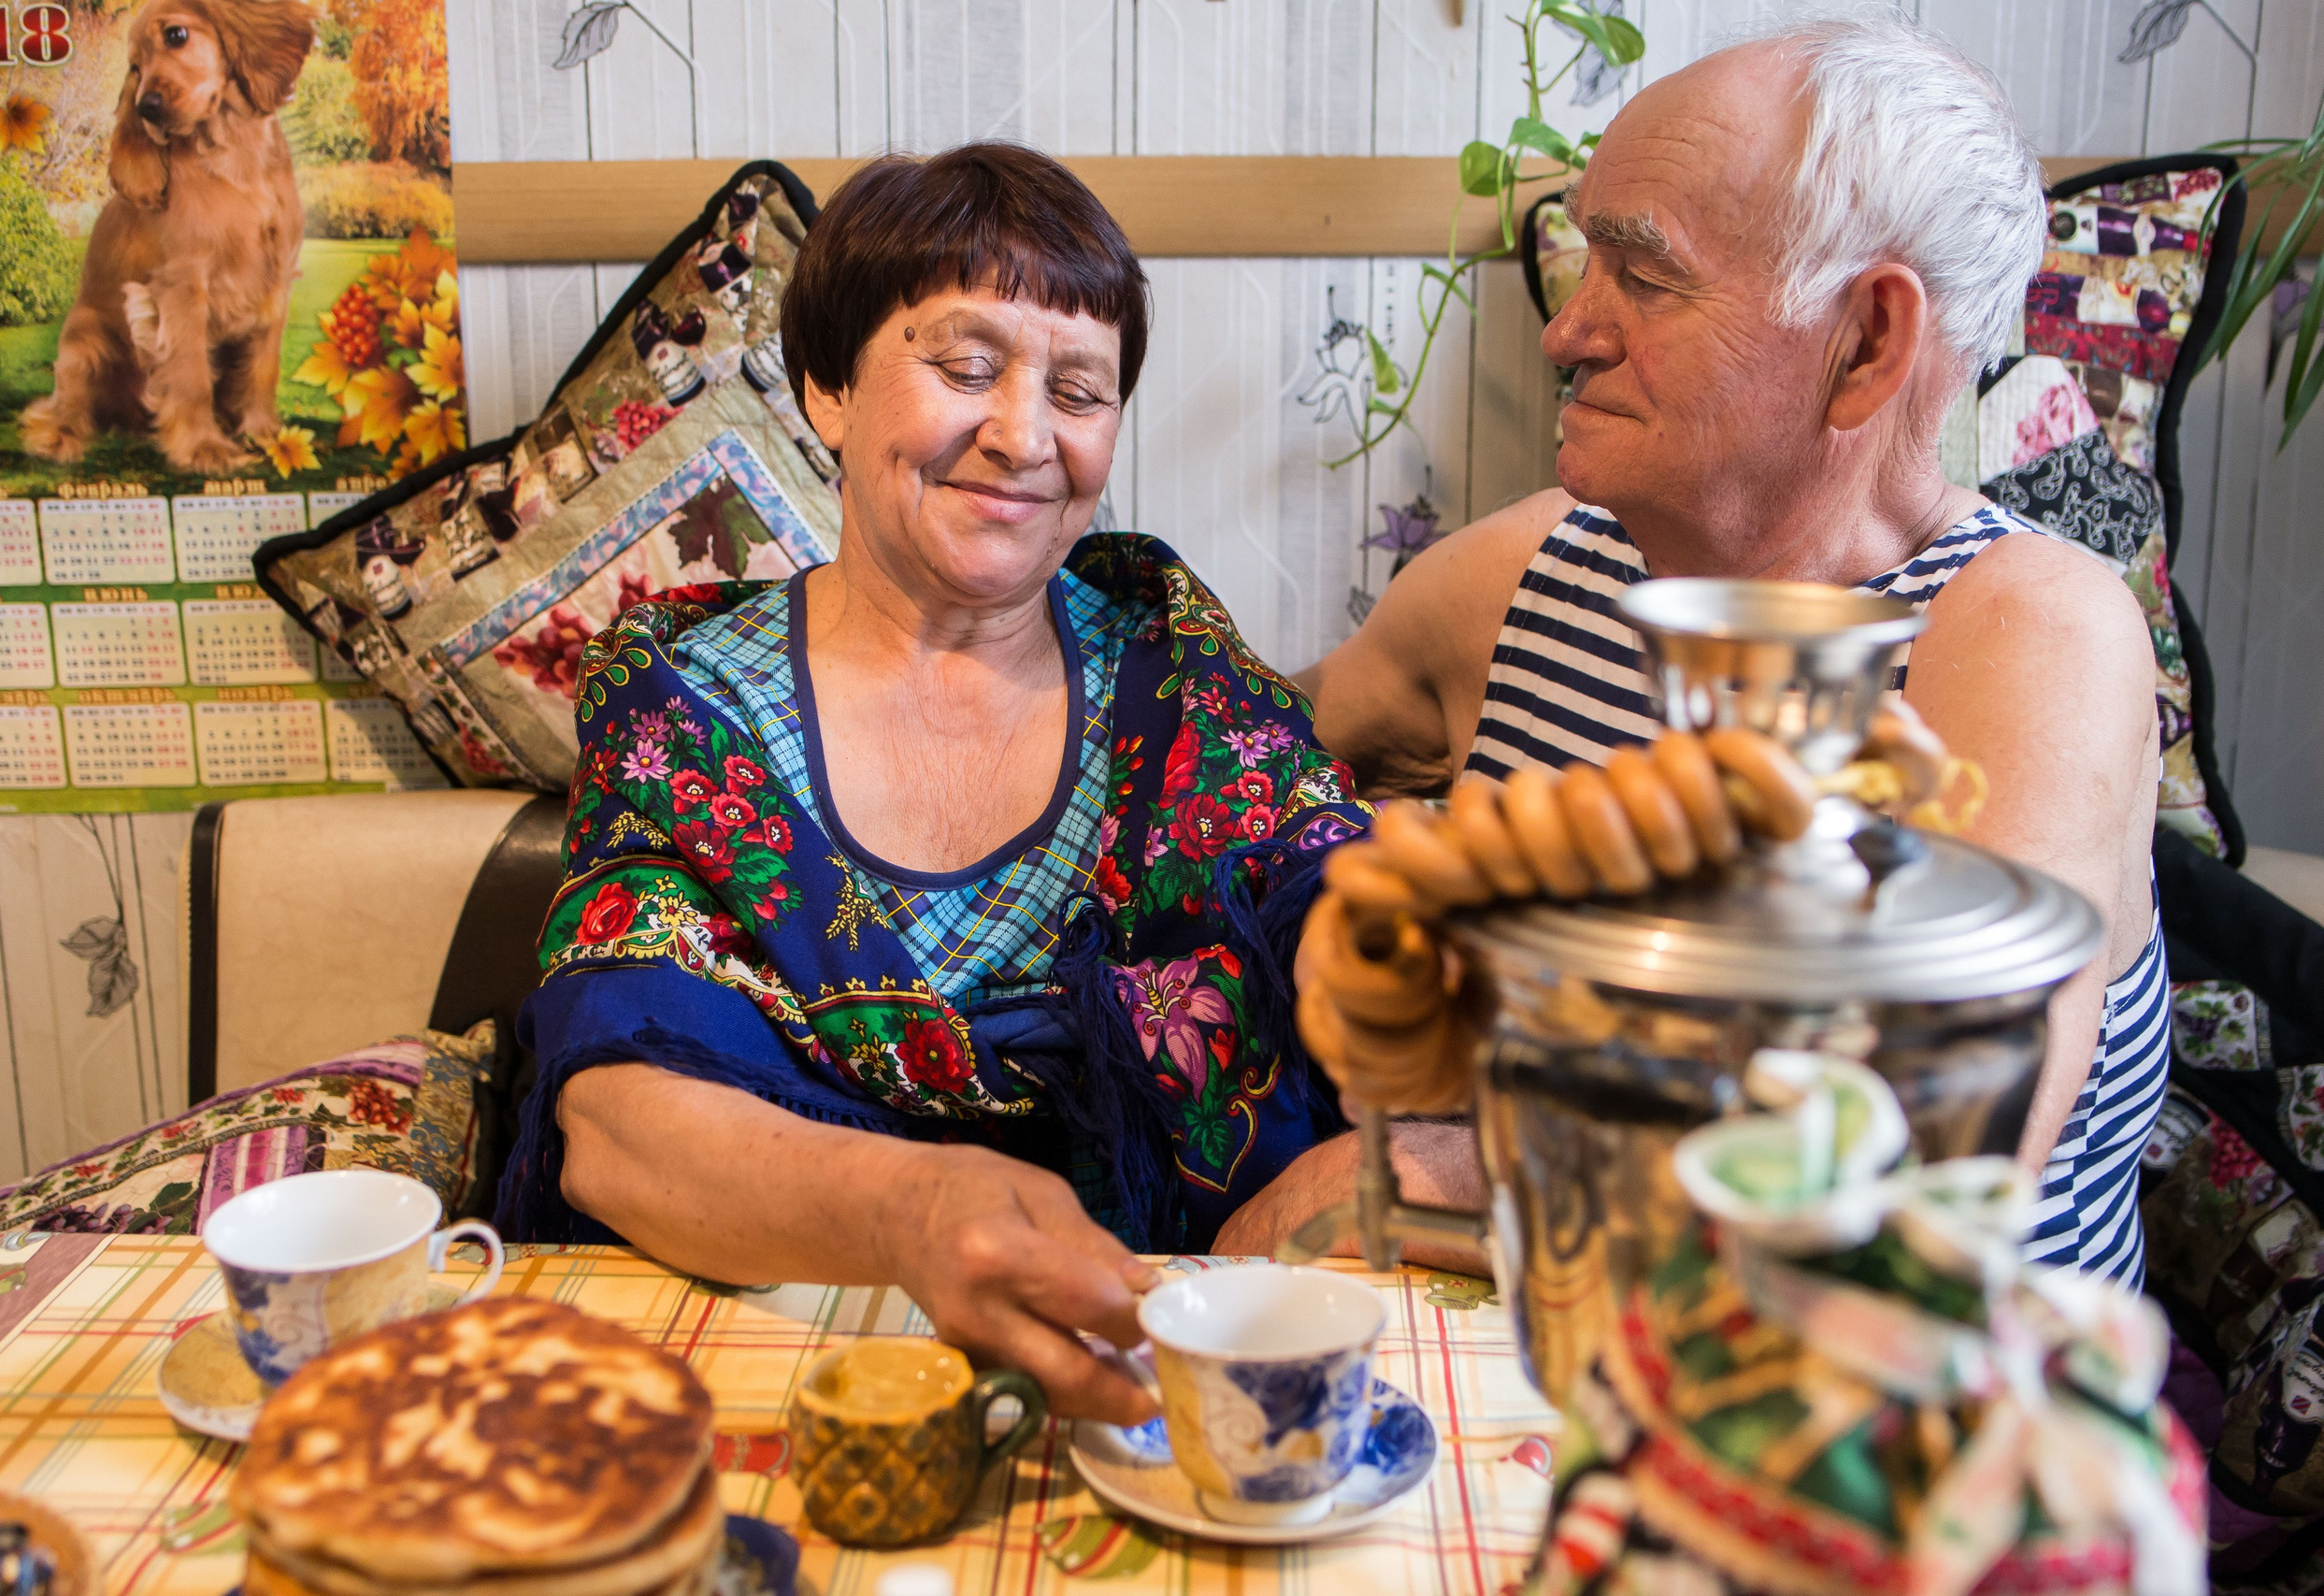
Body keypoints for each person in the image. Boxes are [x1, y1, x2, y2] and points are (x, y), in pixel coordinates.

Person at [494, 144, 1484, 1423]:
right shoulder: (684, 704)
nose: (1024, 438)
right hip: (791, 1358)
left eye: (1080, 391)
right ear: (828, 390)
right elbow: (621, 1124)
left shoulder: (1175, 675)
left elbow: (1354, 930)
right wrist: (912, 1211)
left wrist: (1421, 1071)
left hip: (1143, 1368)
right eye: (966, 368)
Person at [1298, 17, 2167, 1284]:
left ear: (1867, 343)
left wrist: (1425, 1173)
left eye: (1645, 278)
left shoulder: (2029, 633)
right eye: (1588, 264)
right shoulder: (1532, 570)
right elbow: (1226, 758)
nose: (1567, 332)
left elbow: (1919, 1165)